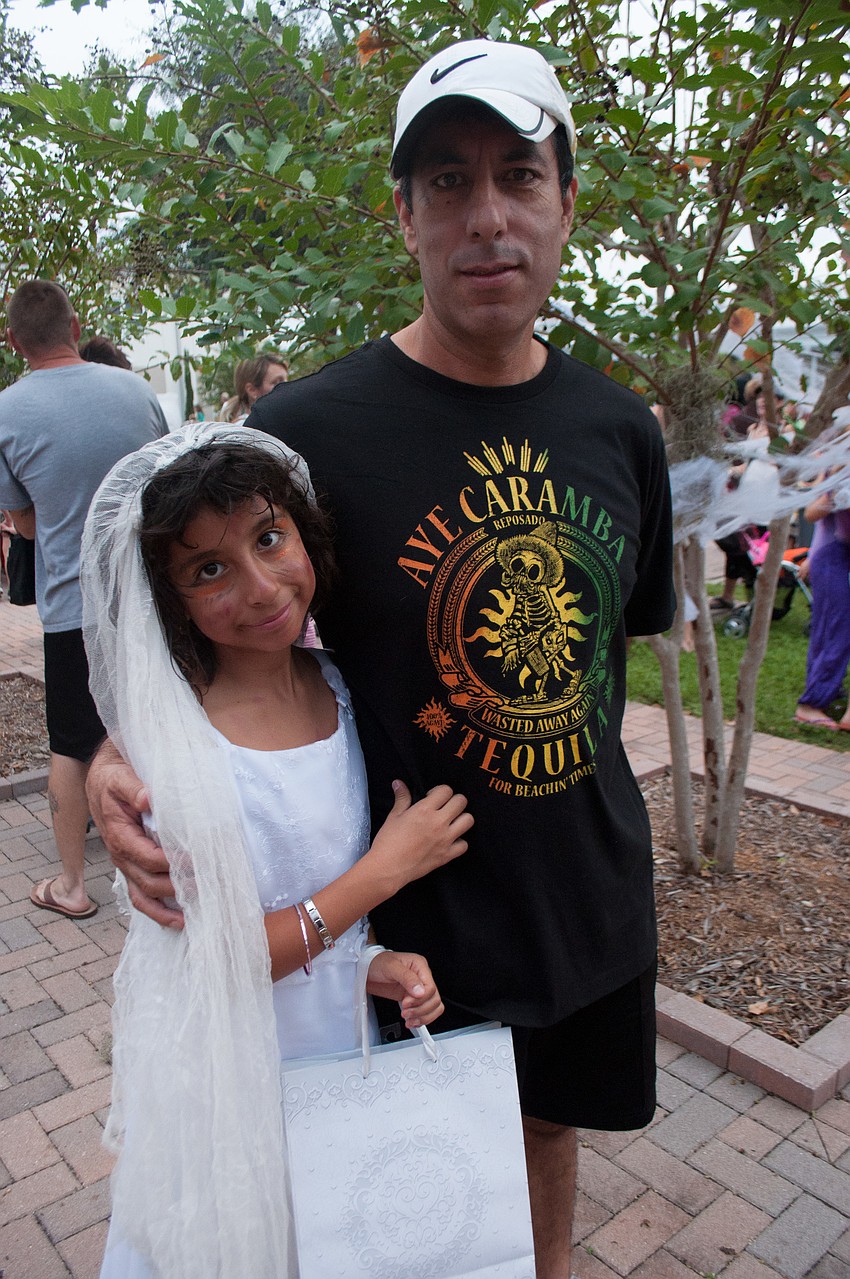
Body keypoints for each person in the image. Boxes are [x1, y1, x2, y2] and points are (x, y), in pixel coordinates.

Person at [87, 39, 675, 1279]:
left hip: (585, 899)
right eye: (448, 182)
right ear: (404, 215)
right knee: (405, 1204)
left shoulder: (619, 427)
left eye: (519, 175)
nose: (487, 217)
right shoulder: (305, 433)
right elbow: (205, 609)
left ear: (568, 202)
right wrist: (117, 753)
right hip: (412, 922)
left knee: (546, 1136)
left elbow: (603, 658)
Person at [86, 424, 472, 1277]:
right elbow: (224, 960)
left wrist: (369, 962)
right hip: (235, 1085)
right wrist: (387, 868)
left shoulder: (335, 685)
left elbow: (303, 888)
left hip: (329, 1054)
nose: (261, 587)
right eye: (208, 570)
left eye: (269, 539)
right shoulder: (179, 753)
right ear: (169, 598)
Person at [0, 280, 167, 920]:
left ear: (14, 342)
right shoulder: (135, 391)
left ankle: (72, 885)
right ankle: (175, 865)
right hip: (151, 597)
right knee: (160, 723)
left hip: (75, 607)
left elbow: (26, 526)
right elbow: (165, 485)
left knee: (71, 744)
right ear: (74, 326)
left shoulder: (7, 412)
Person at [794, 473, 850, 730]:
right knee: (834, 631)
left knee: (835, 631)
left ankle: (831, 696)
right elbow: (812, 514)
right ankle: (811, 703)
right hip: (833, 558)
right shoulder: (840, 472)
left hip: (835, 556)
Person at [223, 351, 289, 422]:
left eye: (287, 381)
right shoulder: (245, 426)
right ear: (252, 390)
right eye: (278, 383)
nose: (288, 387)